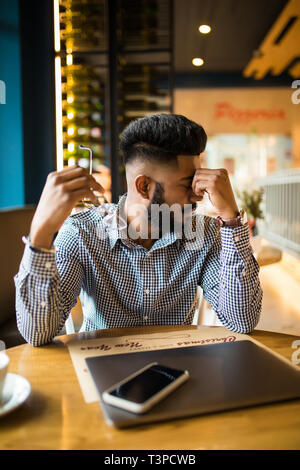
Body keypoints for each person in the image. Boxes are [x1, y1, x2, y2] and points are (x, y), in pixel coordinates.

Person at [14, 114, 262, 346]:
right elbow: (38, 333)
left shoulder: (204, 233)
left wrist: (231, 219)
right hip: (102, 369)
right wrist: (40, 234)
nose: (197, 194)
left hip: (179, 370)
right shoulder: (83, 233)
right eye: (188, 184)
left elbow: (241, 321)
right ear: (143, 186)